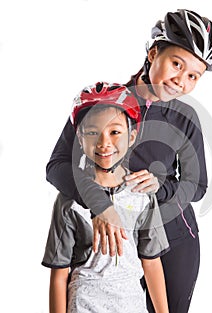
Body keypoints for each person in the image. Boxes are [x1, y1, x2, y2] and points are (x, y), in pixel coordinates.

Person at [46, 9, 212, 313]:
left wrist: (161, 186)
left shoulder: (185, 117)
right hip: (110, 242)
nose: (180, 80)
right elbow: (58, 166)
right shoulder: (101, 102)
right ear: (154, 53)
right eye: (176, 64)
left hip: (173, 236)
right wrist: (98, 202)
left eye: (193, 75)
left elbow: (198, 185)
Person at [42, 83, 170, 313]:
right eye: (92, 132)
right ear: (79, 139)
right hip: (84, 304)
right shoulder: (69, 202)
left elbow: (151, 262)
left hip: (131, 304)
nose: (104, 143)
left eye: (115, 132)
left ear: (131, 137)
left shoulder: (141, 194)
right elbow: (59, 274)